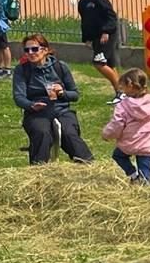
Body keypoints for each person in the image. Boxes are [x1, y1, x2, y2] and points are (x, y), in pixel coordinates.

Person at [13, 34, 94, 165]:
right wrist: (31, 105)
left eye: (34, 49)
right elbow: (18, 97)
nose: (30, 53)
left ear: (45, 50)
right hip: (37, 112)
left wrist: (62, 93)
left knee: (69, 134)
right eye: (27, 50)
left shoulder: (60, 67)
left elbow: (75, 95)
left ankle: (88, 165)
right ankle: (38, 170)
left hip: (61, 109)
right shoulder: (22, 70)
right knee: (42, 133)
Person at [102, 70, 150, 184]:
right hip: (146, 146)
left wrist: (106, 134)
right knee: (146, 171)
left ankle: (133, 175)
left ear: (130, 85)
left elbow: (117, 125)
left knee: (118, 156)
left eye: (123, 86)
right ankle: (145, 185)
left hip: (128, 145)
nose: (122, 90)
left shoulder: (123, 105)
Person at [75, 0, 122, 93]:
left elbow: (111, 15)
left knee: (99, 63)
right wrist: (87, 39)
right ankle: (120, 92)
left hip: (107, 35)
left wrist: (106, 31)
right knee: (110, 65)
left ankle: (121, 91)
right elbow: (85, 22)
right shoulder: (82, 2)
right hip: (95, 37)